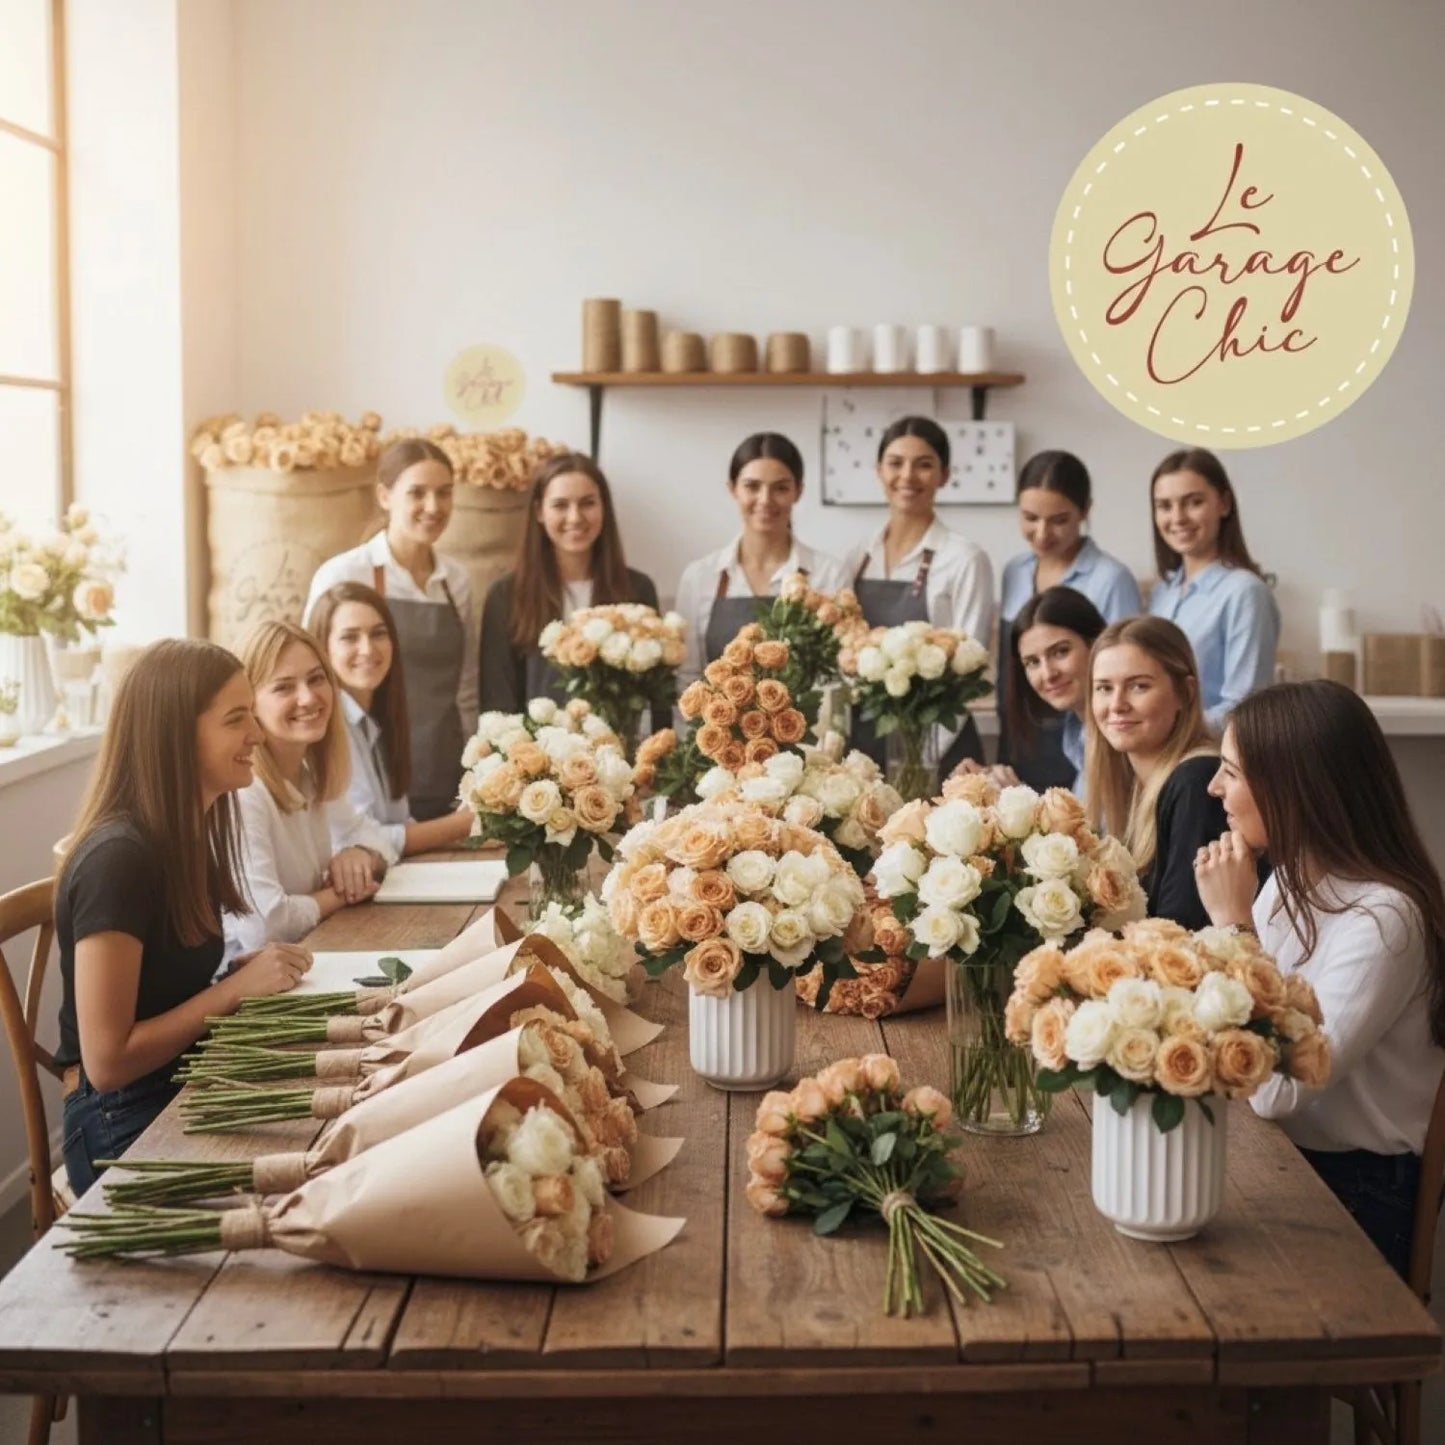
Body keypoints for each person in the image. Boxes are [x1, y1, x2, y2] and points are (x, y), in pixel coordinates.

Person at [1194, 681, 1445, 1279]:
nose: (1214, 788)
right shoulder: (1288, 881)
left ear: (1293, 786)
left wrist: (1234, 928)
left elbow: (1276, 1094)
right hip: (1280, 1159)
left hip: (1353, 1190)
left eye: (1230, 771)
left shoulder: (1384, 918)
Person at [55, 639, 312, 1194]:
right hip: (118, 1116)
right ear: (176, 734)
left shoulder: (189, 831)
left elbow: (163, 988)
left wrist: (236, 975)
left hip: (177, 1076)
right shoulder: (119, 858)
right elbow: (107, 1061)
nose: (259, 735)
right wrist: (234, 992)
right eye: (236, 719)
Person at [306, 439, 478, 819]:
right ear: (385, 496)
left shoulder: (457, 581)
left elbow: (466, 688)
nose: (433, 507)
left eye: (444, 494)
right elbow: (312, 676)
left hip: (444, 770)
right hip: (367, 777)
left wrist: (474, 769)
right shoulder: (345, 573)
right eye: (417, 493)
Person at [225, 620, 395, 958]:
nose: (308, 698)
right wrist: (339, 893)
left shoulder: (308, 774)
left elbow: (381, 841)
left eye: (317, 679)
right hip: (241, 987)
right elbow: (265, 926)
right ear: (250, 703)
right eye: (284, 687)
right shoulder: (245, 792)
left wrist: (361, 854)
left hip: (304, 960)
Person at [841, 416, 994, 772]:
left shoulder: (965, 559)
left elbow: (971, 672)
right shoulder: (858, 557)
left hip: (942, 745)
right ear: (879, 471)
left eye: (924, 465)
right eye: (896, 463)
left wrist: (921, 757)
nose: (907, 476)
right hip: (867, 742)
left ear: (945, 475)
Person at [998, 450, 1141, 787]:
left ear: (1085, 511)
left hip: (1086, 736)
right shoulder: (1014, 571)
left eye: (1059, 520)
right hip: (1021, 734)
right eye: (1030, 518)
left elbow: (1127, 668)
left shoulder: (1111, 578)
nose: (1043, 533)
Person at [480, 452, 659, 714]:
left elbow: (656, 695)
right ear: (539, 512)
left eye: (587, 503)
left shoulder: (638, 590)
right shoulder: (505, 594)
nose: (575, 517)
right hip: (534, 750)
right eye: (560, 505)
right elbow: (497, 699)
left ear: (604, 508)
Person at [308, 581, 474, 857]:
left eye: (378, 634)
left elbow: (398, 824)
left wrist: (467, 837)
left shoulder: (375, 722)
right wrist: (461, 825)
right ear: (322, 649)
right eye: (350, 637)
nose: (367, 649)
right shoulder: (329, 726)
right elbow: (363, 837)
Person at [674, 432, 846, 685]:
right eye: (752, 486)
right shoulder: (700, 577)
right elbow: (687, 679)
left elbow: (835, 681)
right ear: (732, 489)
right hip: (717, 724)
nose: (765, 500)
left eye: (781, 488)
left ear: (798, 492)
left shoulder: (829, 574)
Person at [1084, 616, 1223, 929]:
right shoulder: (1136, 787)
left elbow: (1177, 930)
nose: (1117, 705)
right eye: (1104, 688)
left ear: (1185, 694)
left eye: (1138, 686)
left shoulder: (1198, 780)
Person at [1147, 447, 1280, 732]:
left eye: (1193, 502)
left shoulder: (1245, 593)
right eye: (1164, 506)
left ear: (1224, 503)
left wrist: (1164, 729)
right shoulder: (1163, 593)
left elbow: (1245, 710)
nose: (1178, 517)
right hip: (1160, 760)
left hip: (1213, 764)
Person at [1002, 586, 1108, 798]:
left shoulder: (1119, 733)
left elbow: (1106, 830)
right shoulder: (1076, 727)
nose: (1048, 674)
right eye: (1032, 662)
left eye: (1061, 652)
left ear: (1095, 644)